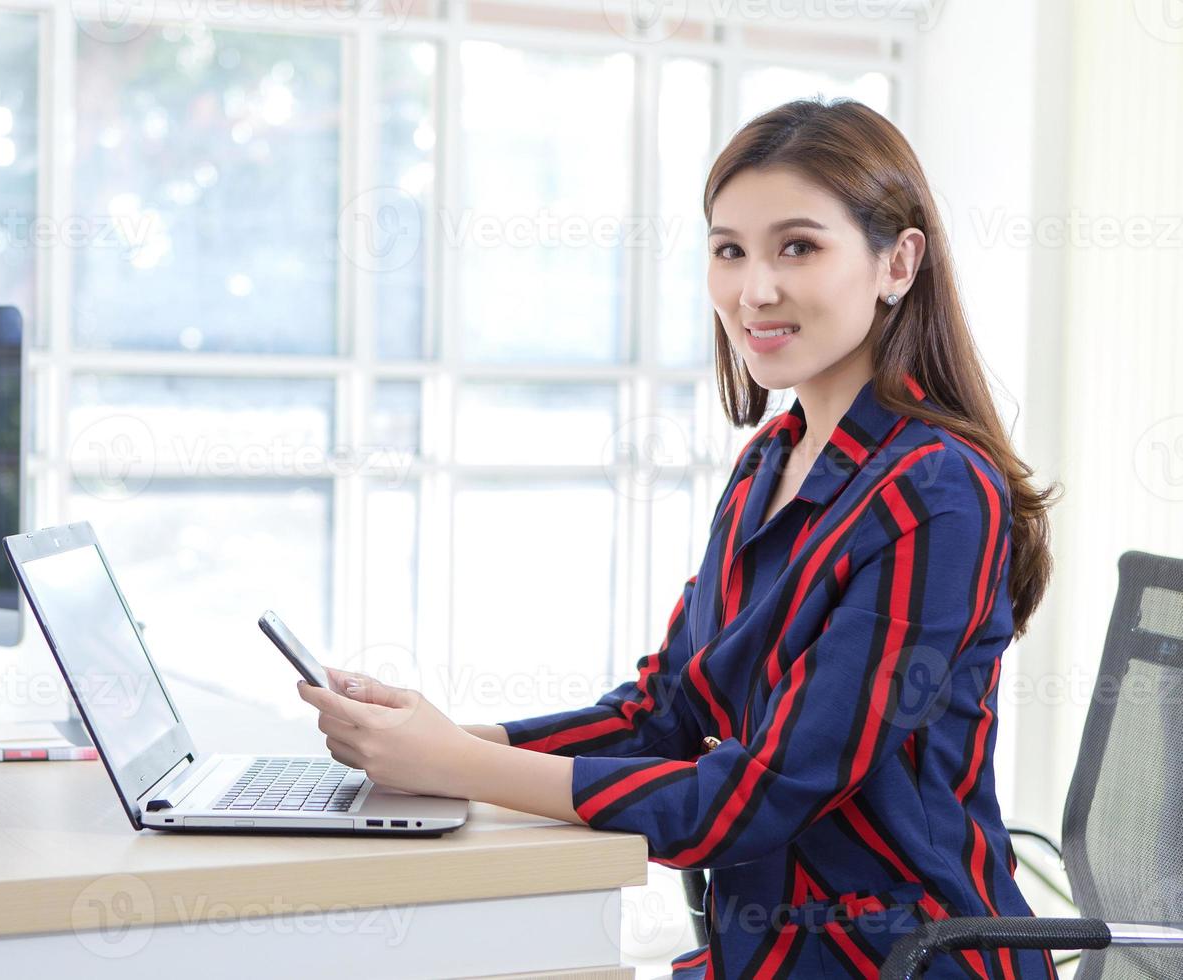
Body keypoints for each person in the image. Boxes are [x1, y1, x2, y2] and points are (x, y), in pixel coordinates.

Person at [297, 97, 1061, 978]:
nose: (754, 290)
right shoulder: (770, 462)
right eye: (728, 250)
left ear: (898, 261)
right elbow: (665, 714)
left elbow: (759, 797)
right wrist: (451, 739)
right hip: (760, 954)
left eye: (798, 247)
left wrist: (460, 768)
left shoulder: (939, 493)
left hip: (900, 961)